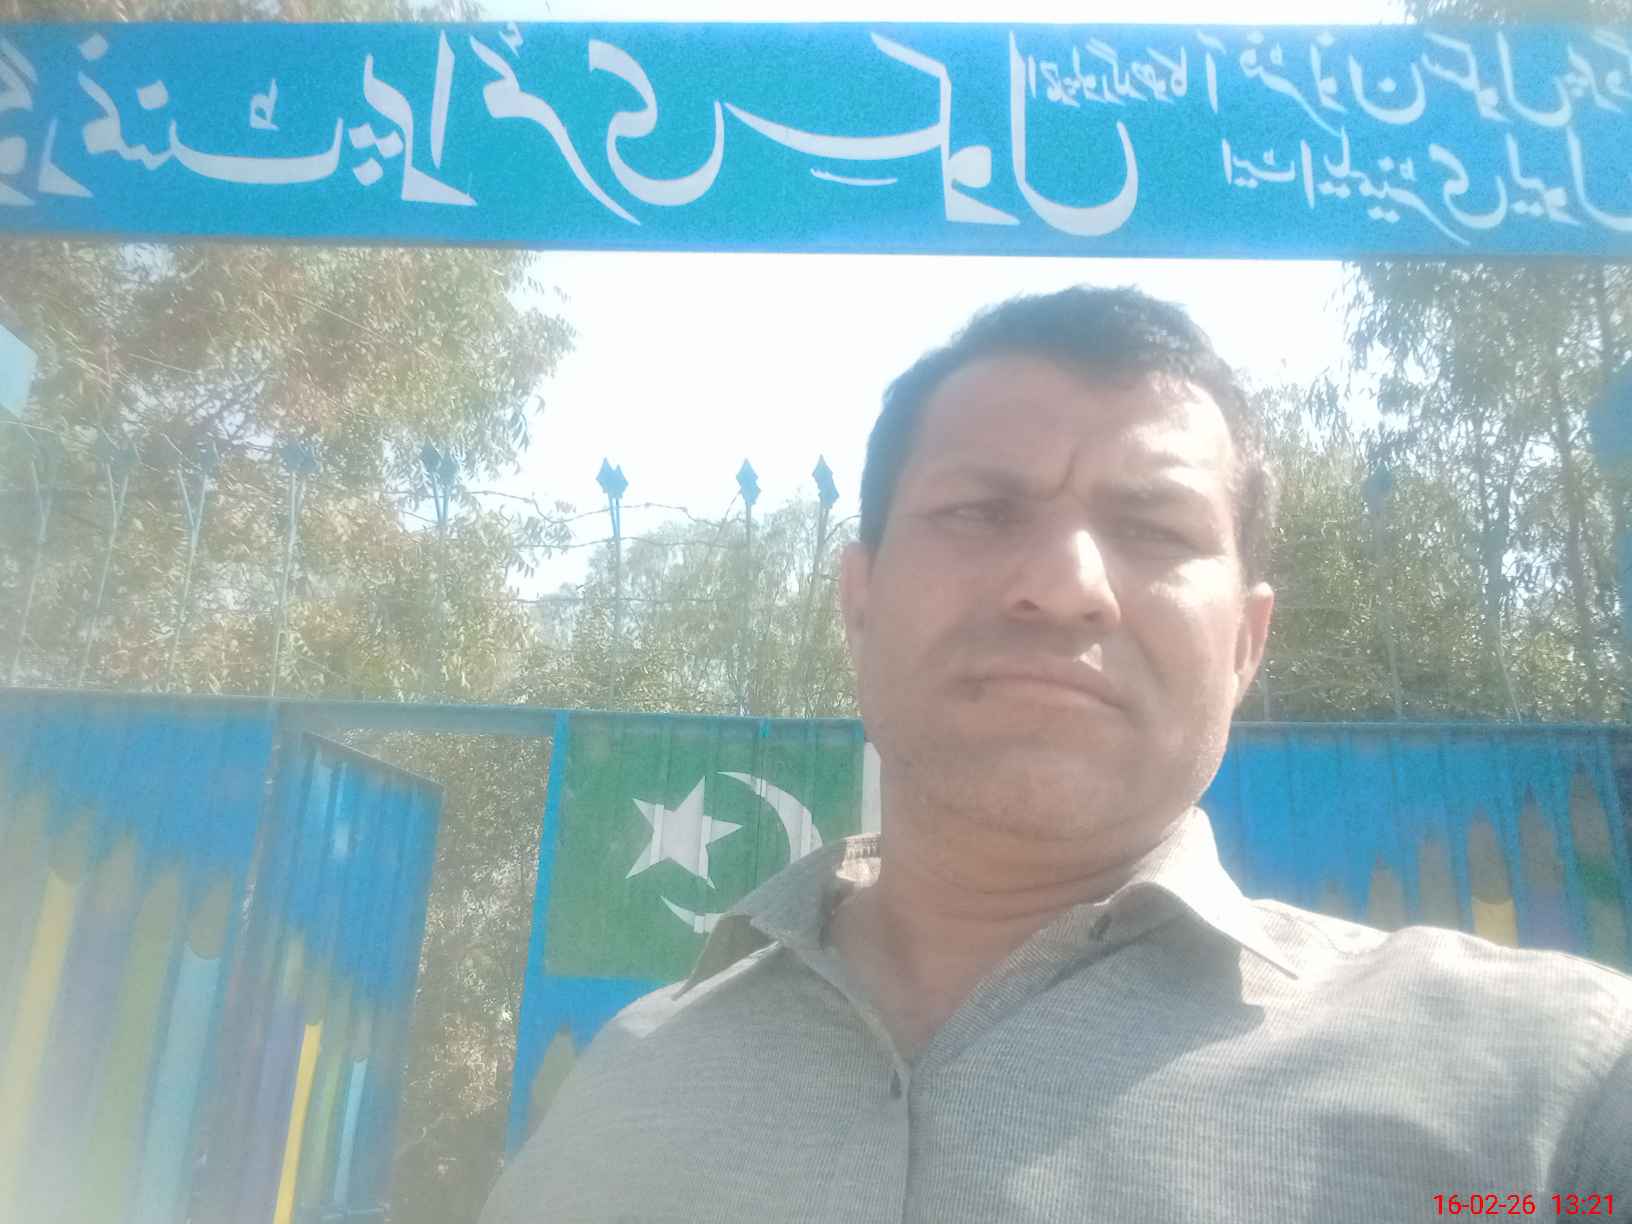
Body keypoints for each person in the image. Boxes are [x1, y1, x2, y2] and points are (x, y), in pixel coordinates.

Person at [480, 286, 1631, 1223]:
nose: (1065, 585)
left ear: (1246, 644)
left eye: (1154, 529)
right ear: (859, 603)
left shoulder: (1553, 1100)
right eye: (979, 512)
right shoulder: (625, 1085)